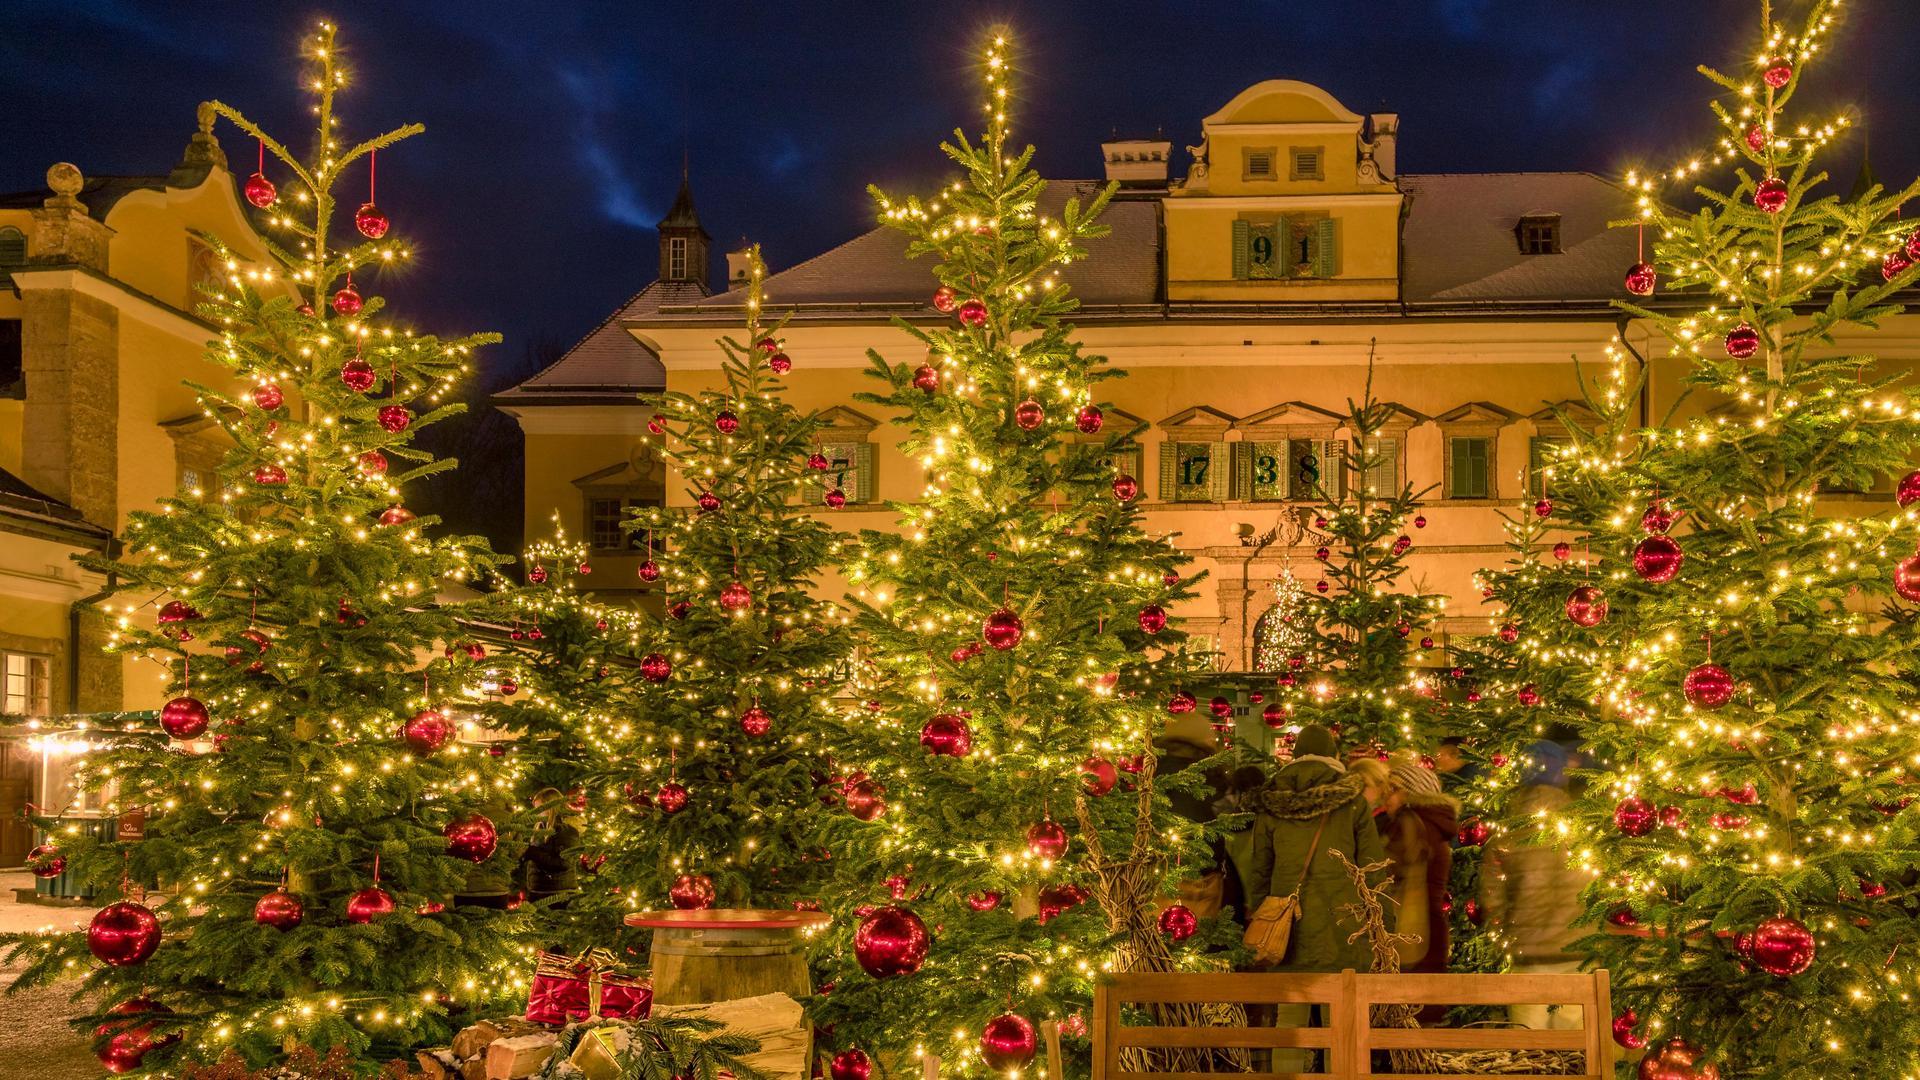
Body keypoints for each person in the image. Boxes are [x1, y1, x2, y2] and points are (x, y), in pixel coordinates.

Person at [1245, 725, 1389, 1071]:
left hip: (1286, 926)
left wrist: (1258, 913)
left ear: (1295, 756)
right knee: (1339, 1020)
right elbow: (1372, 869)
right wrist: (1382, 925)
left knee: (1290, 1021)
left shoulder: (1272, 802)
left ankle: (1286, 1077)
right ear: (1335, 757)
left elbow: (1259, 869)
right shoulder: (1352, 801)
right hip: (1344, 925)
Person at [1480, 740, 1587, 1029]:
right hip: (1579, 949)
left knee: (1528, 1047)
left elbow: (1493, 895)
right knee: (1576, 1048)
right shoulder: (1583, 827)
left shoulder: (1509, 830)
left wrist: (1504, 930)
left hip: (1530, 951)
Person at [1154, 712, 1246, 925]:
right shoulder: (1207, 779)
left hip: (1154, 881)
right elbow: (1212, 834)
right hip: (1199, 886)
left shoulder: (1148, 774)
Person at [1378, 752, 1459, 975]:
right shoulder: (1437, 823)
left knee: (1408, 1005)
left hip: (1411, 929)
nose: (1386, 797)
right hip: (1431, 929)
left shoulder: (1409, 824)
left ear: (1413, 793)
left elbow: (1382, 871)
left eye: (1394, 789)